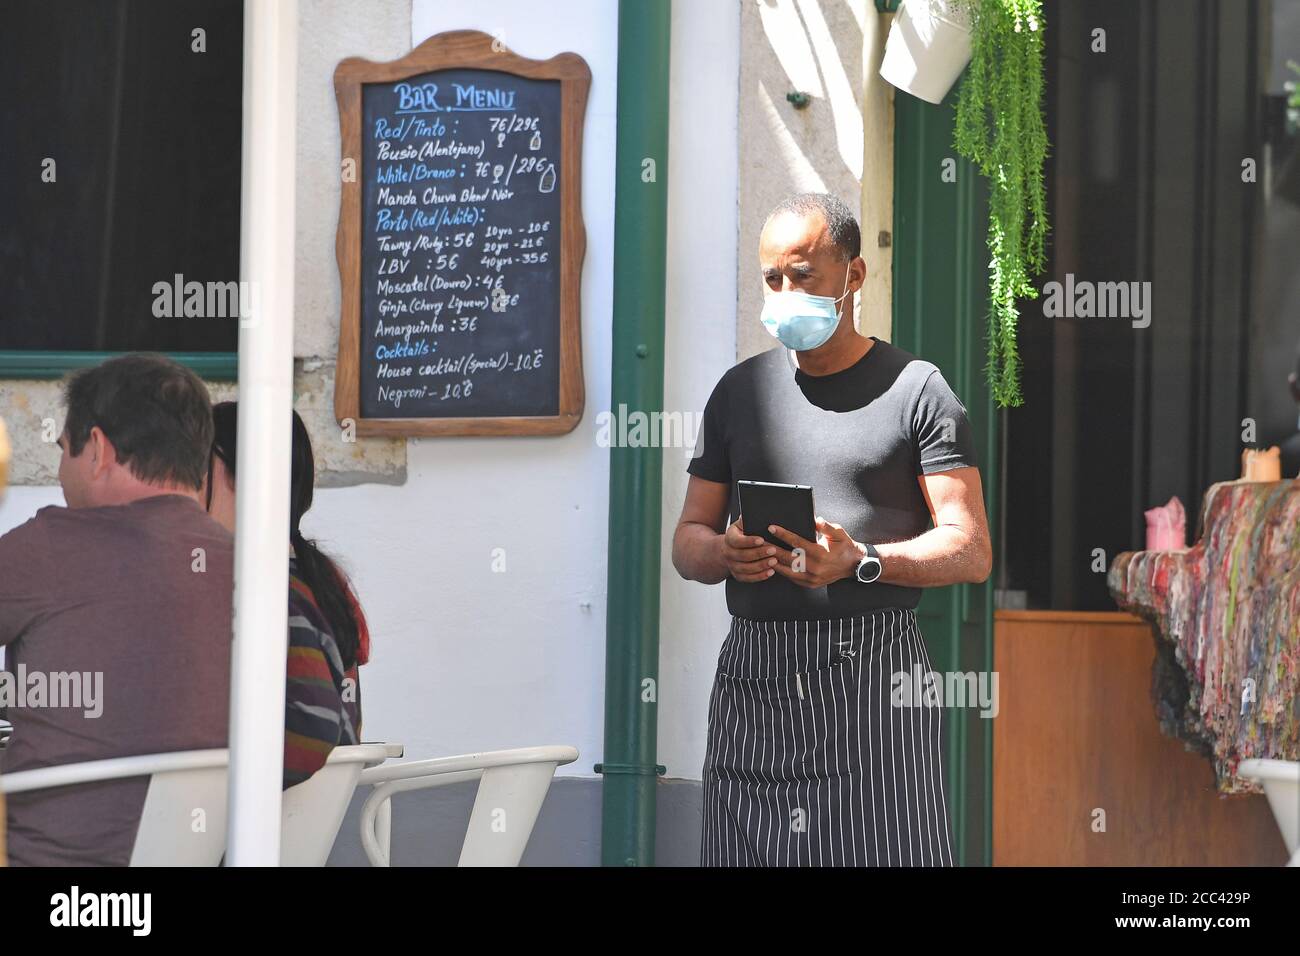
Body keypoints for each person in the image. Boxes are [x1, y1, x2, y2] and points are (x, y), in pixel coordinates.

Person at [673, 193, 992, 867]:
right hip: (753, 679)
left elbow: (970, 549)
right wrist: (724, 552)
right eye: (771, 278)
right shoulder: (739, 393)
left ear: (853, 276)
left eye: (803, 274)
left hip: (873, 681)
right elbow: (687, 541)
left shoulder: (918, 391)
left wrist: (859, 561)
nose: (785, 292)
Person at [0, 354, 232, 866]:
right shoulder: (253, 570)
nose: (60, 473)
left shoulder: (49, 547)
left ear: (98, 449)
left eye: (64, 450)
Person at [204, 402, 369, 788]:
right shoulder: (319, 574)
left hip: (260, 827)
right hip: (315, 823)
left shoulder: (261, 586)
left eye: (195, 468)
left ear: (242, 476)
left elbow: (310, 730)